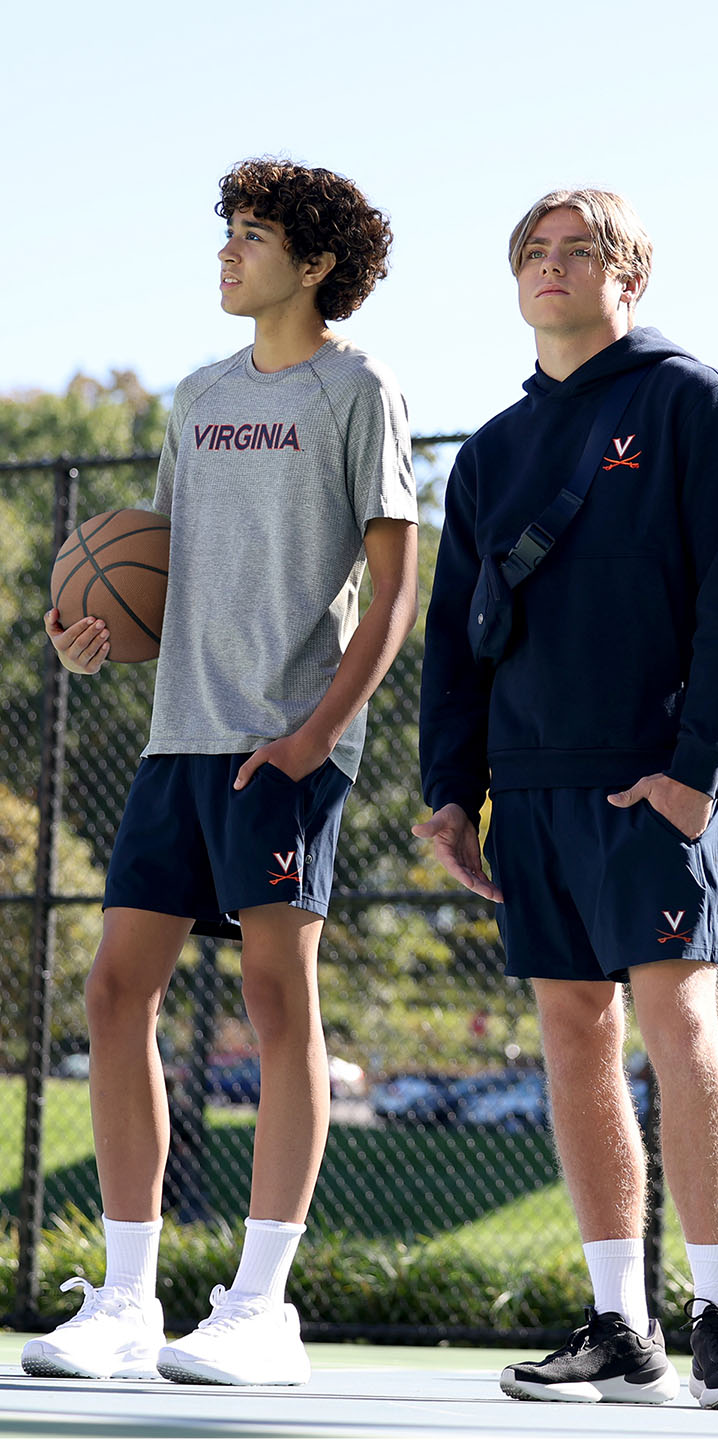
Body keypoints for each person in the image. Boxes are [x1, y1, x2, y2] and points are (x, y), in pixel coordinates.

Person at [24, 157, 418, 1387]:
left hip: (284, 745)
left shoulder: (361, 391)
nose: (226, 252)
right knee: (112, 991)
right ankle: (131, 1296)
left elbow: (394, 593)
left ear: (313, 266)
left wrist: (311, 737)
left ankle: (261, 1305)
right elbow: (151, 569)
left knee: (273, 1000)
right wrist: (87, 634)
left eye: (251, 237)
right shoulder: (195, 398)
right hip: (175, 736)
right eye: (227, 233)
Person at [414, 188, 718, 1412]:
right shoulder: (489, 450)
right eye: (534, 252)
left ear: (628, 277)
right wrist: (445, 792)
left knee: (678, 1025)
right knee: (572, 1033)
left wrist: (697, 771)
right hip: (525, 785)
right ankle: (615, 1325)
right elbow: (453, 640)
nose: (553, 267)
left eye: (579, 251)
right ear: (514, 282)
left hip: (648, 781)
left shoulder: (688, 399)